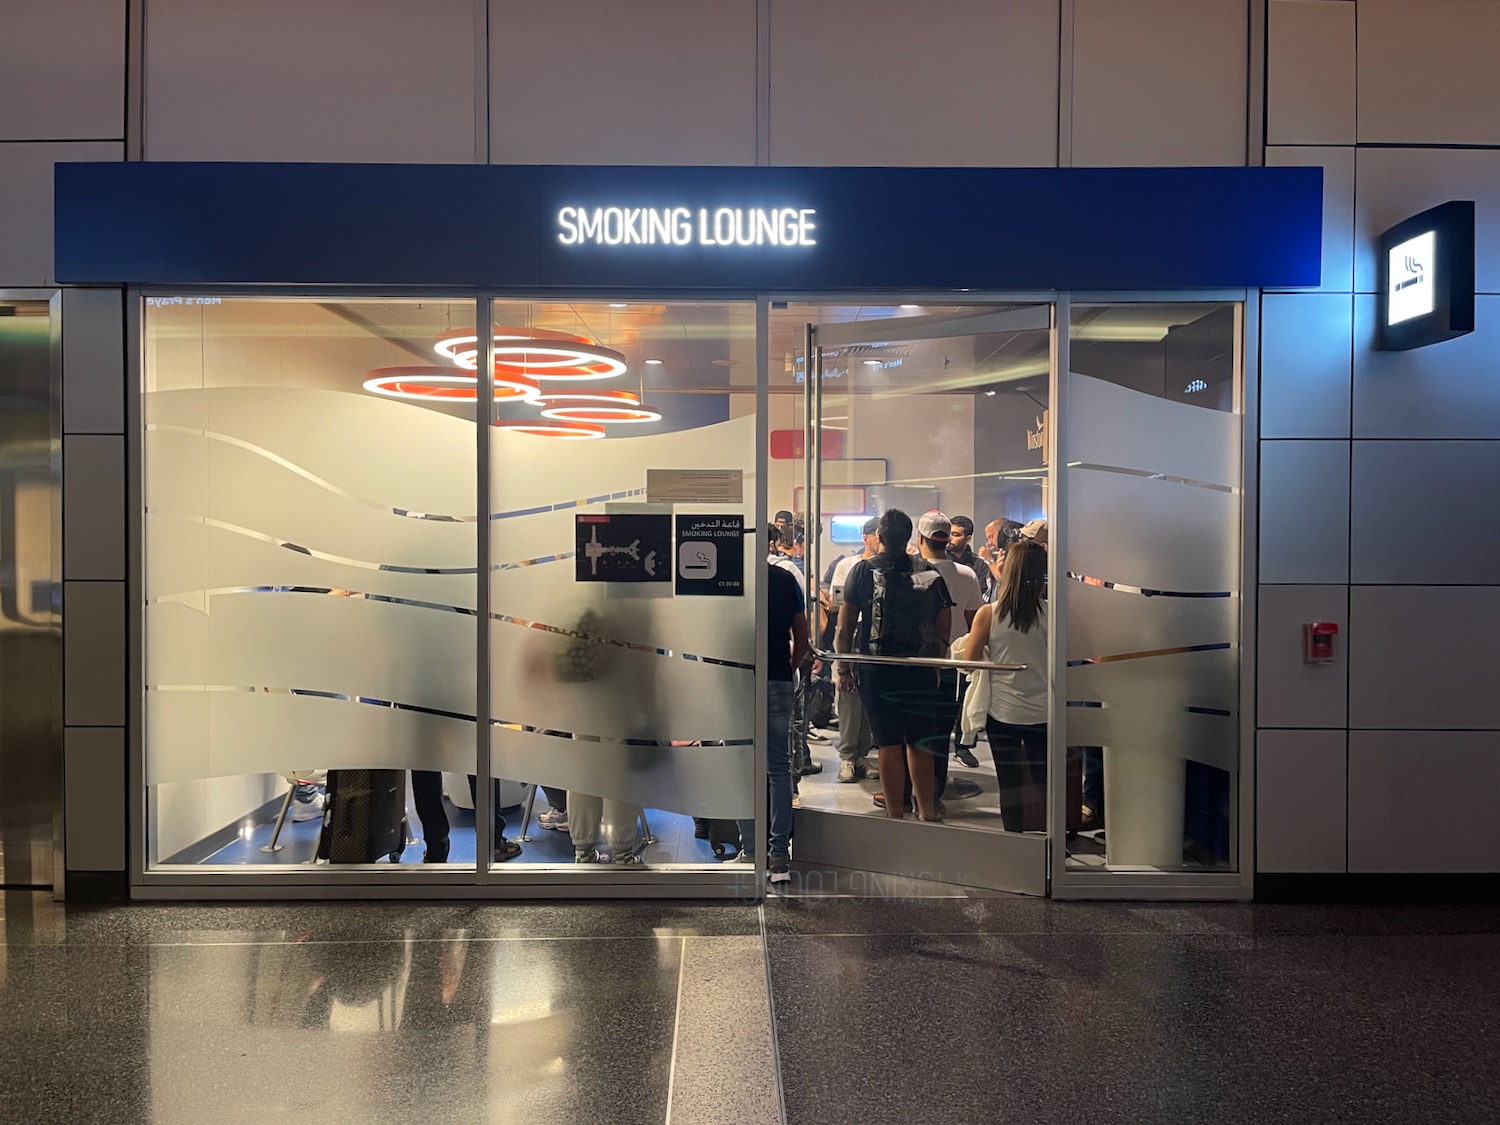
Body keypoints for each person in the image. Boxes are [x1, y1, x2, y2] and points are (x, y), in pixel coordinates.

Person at [834, 508, 952, 822]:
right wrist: (937, 662)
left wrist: (843, 669)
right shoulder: (927, 570)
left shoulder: (860, 571)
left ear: (880, 537)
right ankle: (926, 809)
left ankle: (895, 811)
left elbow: (845, 627)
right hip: (920, 667)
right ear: (910, 537)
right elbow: (944, 623)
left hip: (876, 667)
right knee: (919, 740)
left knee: (887, 741)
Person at [963, 540, 1048, 833]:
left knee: (1009, 783)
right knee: (1044, 781)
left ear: (1007, 570)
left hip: (1003, 713)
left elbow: (970, 661)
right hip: (1044, 712)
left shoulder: (989, 614)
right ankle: (1053, 846)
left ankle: (1014, 842)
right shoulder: (1055, 615)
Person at [738, 559, 808, 884]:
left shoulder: (733, 575)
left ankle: (751, 851)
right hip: (778, 679)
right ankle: (779, 854)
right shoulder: (784, 579)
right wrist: (787, 669)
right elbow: (803, 639)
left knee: (743, 769)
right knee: (779, 768)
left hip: (738, 683)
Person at [912, 512, 984, 790]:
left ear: (921, 538)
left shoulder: (912, 573)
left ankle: (913, 790)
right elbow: (973, 621)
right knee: (941, 733)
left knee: (914, 732)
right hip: (953, 665)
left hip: (916, 663)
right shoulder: (967, 574)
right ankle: (936, 789)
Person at [830, 517, 880, 783]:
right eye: (876, 535)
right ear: (867, 537)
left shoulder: (887, 567)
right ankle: (847, 756)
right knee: (848, 698)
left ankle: (861, 754)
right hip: (852, 636)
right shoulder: (847, 566)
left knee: (869, 701)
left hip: (875, 643)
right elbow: (838, 605)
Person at [947, 515, 992, 602]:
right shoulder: (942, 561)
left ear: (968, 539)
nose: (950, 539)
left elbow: (982, 594)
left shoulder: (980, 564)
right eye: (949, 534)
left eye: (956, 535)